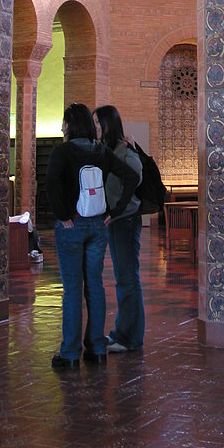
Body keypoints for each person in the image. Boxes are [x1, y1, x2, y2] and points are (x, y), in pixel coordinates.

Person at [46, 103, 141, 369]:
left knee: (73, 291)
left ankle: (70, 353)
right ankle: (97, 348)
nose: (62, 127)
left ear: (70, 125)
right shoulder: (101, 152)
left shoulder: (62, 152)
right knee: (95, 288)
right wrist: (115, 210)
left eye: (64, 122)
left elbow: (51, 185)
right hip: (99, 226)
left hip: (71, 227)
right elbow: (131, 177)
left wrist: (63, 215)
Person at [93, 105, 144, 353]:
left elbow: (136, 177)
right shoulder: (108, 151)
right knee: (122, 278)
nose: (95, 127)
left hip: (126, 220)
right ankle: (121, 333)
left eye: (98, 123)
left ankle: (129, 338)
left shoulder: (124, 151)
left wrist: (118, 208)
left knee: (127, 278)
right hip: (115, 221)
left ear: (108, 125)